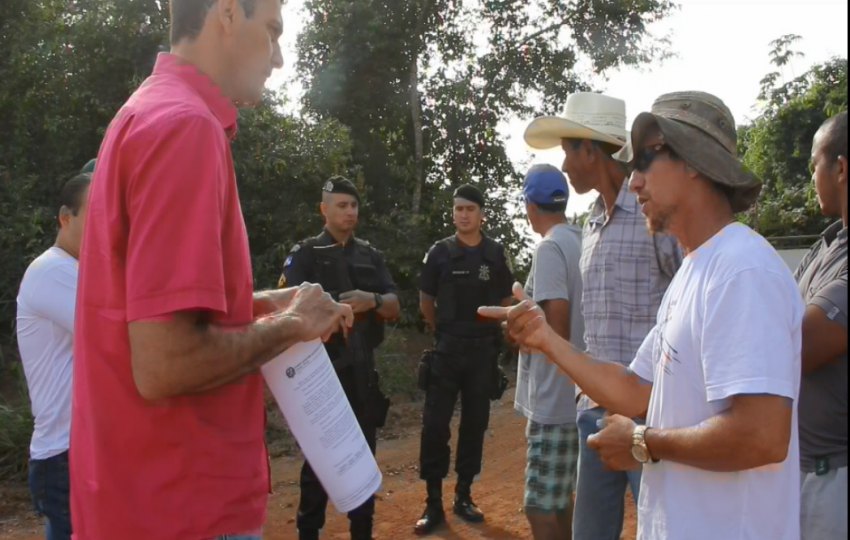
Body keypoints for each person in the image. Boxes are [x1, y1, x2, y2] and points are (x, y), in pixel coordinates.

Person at [71, 1, 353, 538]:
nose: (278, 57)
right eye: (272, 31)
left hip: (139, 501)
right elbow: (165, 362)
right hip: (186, 507)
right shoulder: (186, 128)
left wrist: (268, 305)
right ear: (227, 12)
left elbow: (150, 315)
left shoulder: (146, 112)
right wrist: (292, 325)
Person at [483, 91, 803, 539]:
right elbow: (635, 390)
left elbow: (762, 435)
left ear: (694, 161)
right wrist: (546, 339)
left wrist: (641, 441)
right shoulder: (692, 271)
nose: (634, 182)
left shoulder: (742, 270)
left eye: (647, 161)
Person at [524, 91, 681, 539]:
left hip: (649, 416)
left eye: (568, 152)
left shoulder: (654, 215)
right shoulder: (590, 226)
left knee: (663, 528)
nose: (565, 165)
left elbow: (688, 305)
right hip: (593, 412)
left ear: (590, 151)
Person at [280, 176, 400, 540]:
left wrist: (372, 300)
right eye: (342, 205)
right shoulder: (305, 254)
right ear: (324, 209)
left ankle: (362, 532)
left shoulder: (370, 255)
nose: (349, 212)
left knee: (363, 458)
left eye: (354, 206)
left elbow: (394, 304)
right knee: (318, 460)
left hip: (362, 371)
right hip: (320, 371)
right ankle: (308, 531)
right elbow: (284, 308)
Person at [413, 184, 514, 535]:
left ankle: (464, 495)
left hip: (483, 352)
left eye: (470, 209)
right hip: (447, 351)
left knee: (474, 425)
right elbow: (426, 301)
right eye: (459, 209)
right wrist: (442, 330)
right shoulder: (439, 253)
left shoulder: (495, 254)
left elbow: (506, 301)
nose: (464, 215)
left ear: (481, 214)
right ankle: (432, 503)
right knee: (434, 426)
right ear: (453, 213)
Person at [16, 172, 91, 540]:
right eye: (95, 215)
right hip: (65, 454)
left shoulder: (79, 272)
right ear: (65, 218)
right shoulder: (54, 270)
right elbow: (120, 335)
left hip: (75, 451)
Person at [515, 164, 584, 540]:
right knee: (560, 498)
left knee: (539, 506)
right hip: (576, 393)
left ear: (530, 205)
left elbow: (556, 328)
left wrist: (521, 330)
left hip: (555, 399)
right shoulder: (580, 238)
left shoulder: (550, 247)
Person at [796, 110, 848, 540]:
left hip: (836, 476)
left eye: (815, 165)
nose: (813, 177)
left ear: (841, 168)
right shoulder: (827, 244)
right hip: (805, 469)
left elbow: (799, 347)